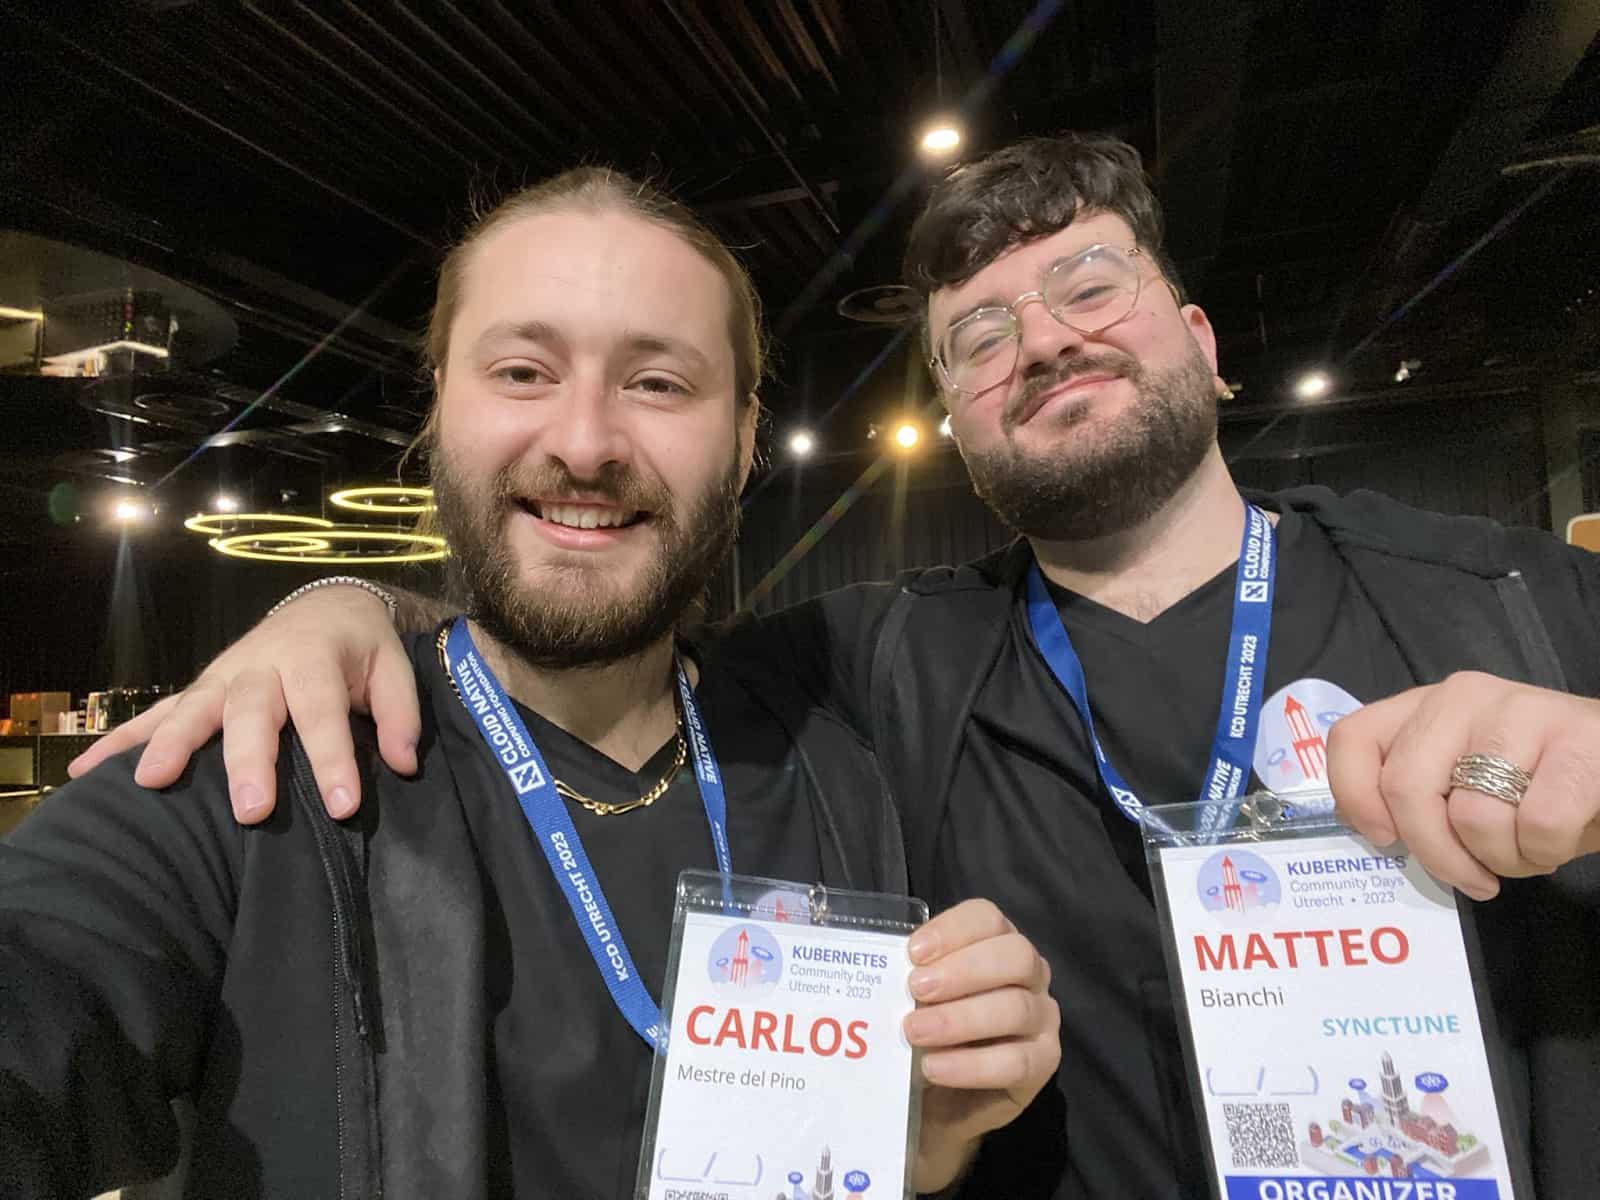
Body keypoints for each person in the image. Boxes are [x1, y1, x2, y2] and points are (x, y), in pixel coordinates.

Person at [75, 136, 1600, 1197]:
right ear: (956, 415)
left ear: (1205, 340)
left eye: (1090, 288)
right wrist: (349, 601)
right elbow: (582, 610)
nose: (1044, 344)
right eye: (981, 333)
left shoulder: (1519, 597)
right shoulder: (876, 660)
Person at [1, 168, 1062, 1199]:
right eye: (522, 372)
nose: (586, 443)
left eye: (658, 382)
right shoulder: (258, 775)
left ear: (743, 440)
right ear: (439, 413)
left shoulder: (838, 770)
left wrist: (925, 1144)